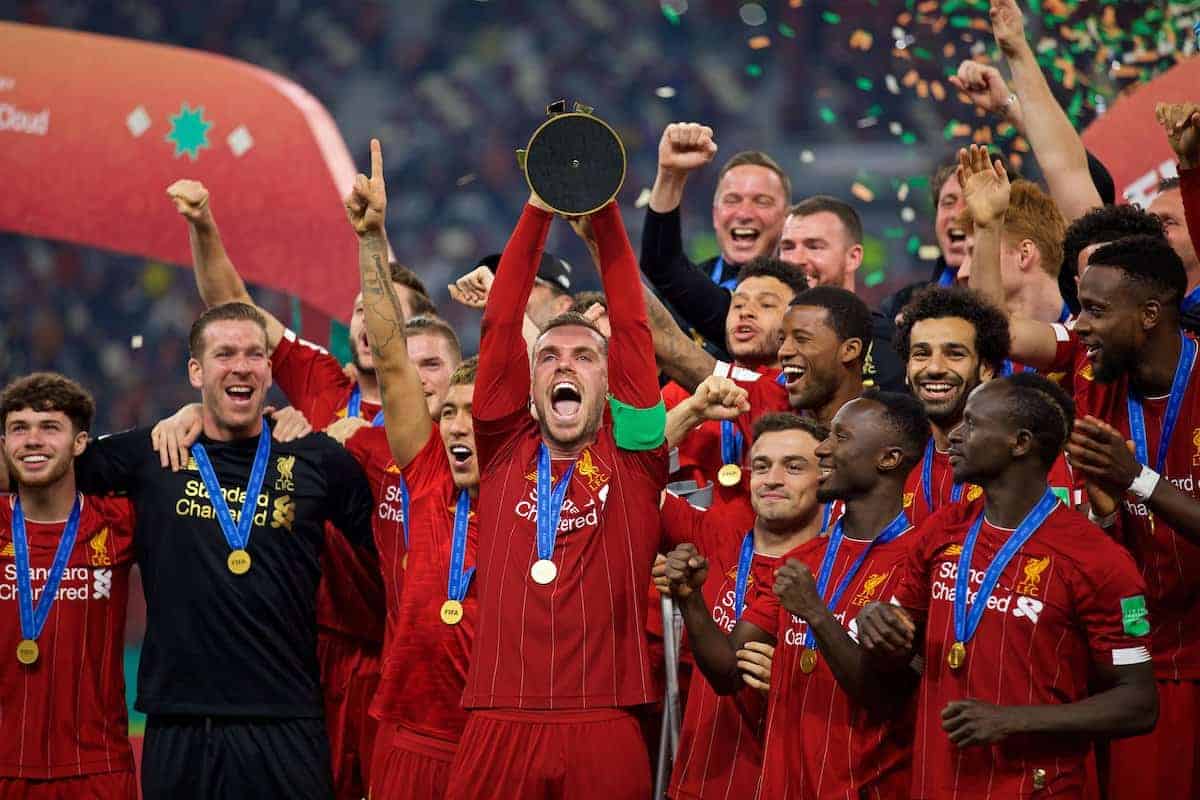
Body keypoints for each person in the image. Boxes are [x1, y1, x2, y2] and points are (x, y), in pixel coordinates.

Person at [165, 178, 455, 799]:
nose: (366, 320)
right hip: (316, 648)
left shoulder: (443, 423)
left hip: (405, 648)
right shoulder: (321, 385)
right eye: (357, 309)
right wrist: (204, 224)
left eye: (381, 310)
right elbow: (234, 311)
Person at [72, 301, 376, 800]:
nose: (240, 366)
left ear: (269, 368)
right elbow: (45, 463)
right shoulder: (155, 450)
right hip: (182, 723)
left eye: (254, 354)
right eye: (224, 354)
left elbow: (392, 545)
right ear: (196, 371)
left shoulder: (316, 457)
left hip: (288, 722)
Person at [444, 183, 668, 798]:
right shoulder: (500, 448)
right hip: (498, 715)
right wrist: (539, 207)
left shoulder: (637, 454)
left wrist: (604, 208)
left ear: (608, 377)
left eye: (585, 357)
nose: (566, 364)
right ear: (530, 377)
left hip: (606, 716)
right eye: (549, 357)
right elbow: (497, 320)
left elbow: (631, 323)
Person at [858, 374, 1158, 798]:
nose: (956, 436)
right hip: (937, 782)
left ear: (1020, 443)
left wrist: (1014, 719)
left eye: (973, 425)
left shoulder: (1099, 560)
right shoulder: (943, 529)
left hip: (1034, 787)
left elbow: (1140, 703)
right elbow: (900, 641)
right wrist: (875, 623)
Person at [665, 391, 930, 798]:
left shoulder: (920, 561)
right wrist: (691, 598)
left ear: (888, 459)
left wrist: (815, 614)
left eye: (839, 438)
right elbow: (726, 673)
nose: (823, 449)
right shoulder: (806, 561)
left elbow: (885, 698)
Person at [341, 138, 483, 799]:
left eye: (470, 411)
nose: (454, 423)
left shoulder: (528, 490)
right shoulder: (424, 472)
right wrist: (372, 240)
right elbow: (392, 361)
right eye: (445, 411)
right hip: (409, 729)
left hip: (493, 729)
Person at [657, 409, 828, 799]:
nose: (773, 480)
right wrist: (694, 408)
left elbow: (727, 672)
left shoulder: (830, 569)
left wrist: (688, 596)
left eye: (794, 467)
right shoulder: (719, 537)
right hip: (697, 785)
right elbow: (634, 480)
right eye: (763, 466)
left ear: (826, 477)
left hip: (787, 787)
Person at [0, 373, 138, 799]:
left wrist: (189, 414)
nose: (33, 440)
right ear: (4, 444)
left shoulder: (119, 520)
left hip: (97, 767)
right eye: (19, 429)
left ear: (80, 443)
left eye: (50, 427)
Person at [895, 286, 1079, 523]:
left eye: (955, 354)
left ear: (986, 369)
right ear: (907, 370)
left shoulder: (1025, 456)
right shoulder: (897, 458)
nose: (934, 368)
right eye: (921, 354)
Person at [958, 179, 1070, 325]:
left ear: (1024, 254)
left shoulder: (1088, 340)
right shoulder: (961, 340)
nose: (961, 273)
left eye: (975, 252)